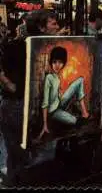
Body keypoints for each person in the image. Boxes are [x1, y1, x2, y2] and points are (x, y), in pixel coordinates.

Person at [0, 10, 59, 186]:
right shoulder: (17, 45)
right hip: (16, 105)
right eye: (53, 23)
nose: (57, 27)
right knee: (19, 154)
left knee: (34, 153)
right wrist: (9, 84)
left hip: (32, 105)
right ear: (41, 26)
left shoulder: (47, 46)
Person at [37, 46, 90, 140]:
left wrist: (60, 95)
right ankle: (78, 118)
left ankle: (84, 112)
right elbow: (45, 103)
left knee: (80, 80)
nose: (57, 65)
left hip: (59, 103)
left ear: (64, 63)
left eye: (60, 62)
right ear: (51, 62)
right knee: (76, 122)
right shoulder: (49, 77)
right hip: (53, 112)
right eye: (54, 62)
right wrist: (45, 125)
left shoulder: (56, 76)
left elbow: (55, 95)